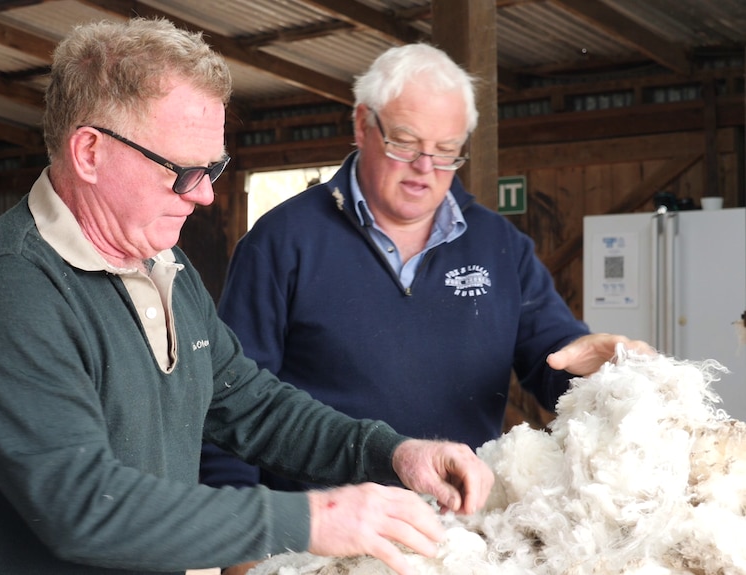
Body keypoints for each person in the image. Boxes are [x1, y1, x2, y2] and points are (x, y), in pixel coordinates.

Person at [0, 20, 495, 575]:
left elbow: (252, 405)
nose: (203, 196)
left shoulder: (162, 262)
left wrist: (393, 453)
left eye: (214, 168)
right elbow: (84, 508)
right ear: (89, 152)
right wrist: (314, 520)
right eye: (181, 170)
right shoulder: (8, 285)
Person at [201, 43, 651, 493]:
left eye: (446, 151)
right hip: (321, 534)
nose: (424, 169)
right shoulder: (282, 241)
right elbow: (230, 399)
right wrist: (241, 542)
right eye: (405, 144)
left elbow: (553, 359)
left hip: (461, 525)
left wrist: (601, 372)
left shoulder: (498, 245)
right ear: (362, 125)